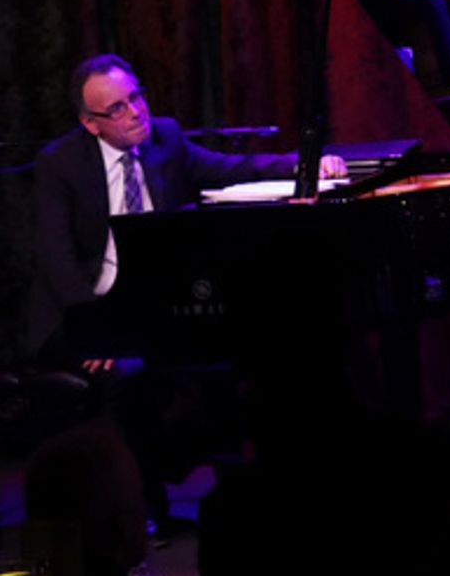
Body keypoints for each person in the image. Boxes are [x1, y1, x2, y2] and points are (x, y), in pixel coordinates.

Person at [27, 53, 346, 363]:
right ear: (91, 123)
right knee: (134, 372)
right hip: (93, 302)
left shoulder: (165, 137)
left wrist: (302, 165)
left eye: (136, 96)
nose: (136, 112)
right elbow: (60, 263)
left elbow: (231, 169)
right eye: (117, 109)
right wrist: (97, 329)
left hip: (160, 302)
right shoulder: (60, 164)